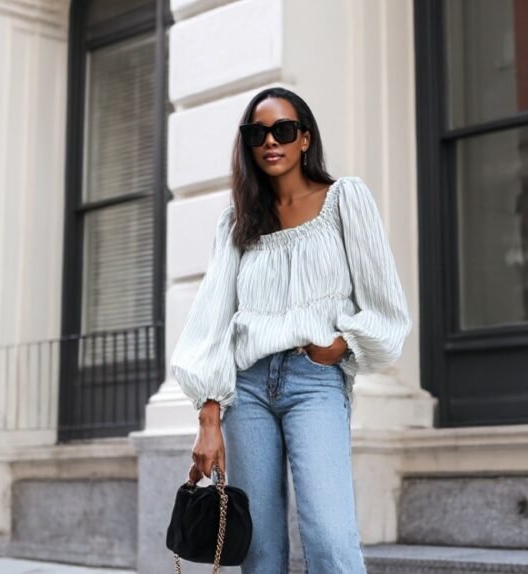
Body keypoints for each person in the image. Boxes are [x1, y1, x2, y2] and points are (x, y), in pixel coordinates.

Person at [168, 86, 412, 573]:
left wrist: (341, 345)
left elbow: (386, 303)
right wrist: (208, 420)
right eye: (257, 133)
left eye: (282, 130)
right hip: (248, 389)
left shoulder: (345, 200)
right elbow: (212, 323)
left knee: (330, 538)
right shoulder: (237, 223)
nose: (270, 142)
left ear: (304, 138)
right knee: (259, 548)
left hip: (314, 382)